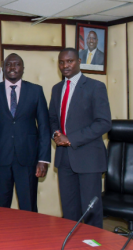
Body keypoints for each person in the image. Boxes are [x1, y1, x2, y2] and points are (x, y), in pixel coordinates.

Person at [49, 48, 111, 228]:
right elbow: (52, 118)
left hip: (89, 159)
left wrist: (71, 139)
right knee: (69, 212)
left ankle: (93, 246)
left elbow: (104, 122)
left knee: (90, 211)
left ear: (79, 61)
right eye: (61, 62)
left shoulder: (95, 86)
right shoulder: (57, 88)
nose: (65, 65)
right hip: (64, 160)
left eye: (70, 61)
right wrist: (56, 134)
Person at [0, 53, 51, 212]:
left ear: (23, 69)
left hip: (28, 160)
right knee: (0, 208)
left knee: (28, 207)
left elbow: (44, 127)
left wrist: (43, 159)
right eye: (9, 64)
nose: (13, 67)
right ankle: (1, 237)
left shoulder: (36, 91)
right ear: (4, 68)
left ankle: (31, 237)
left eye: (17, 64)